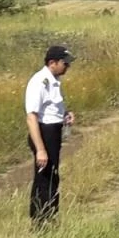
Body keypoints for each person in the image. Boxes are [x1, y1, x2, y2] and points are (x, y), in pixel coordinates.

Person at [25, 45, 75, 225]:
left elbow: (52, 106)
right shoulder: (39, 82)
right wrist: (40, 149)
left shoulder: (54, 80)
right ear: (52, 63)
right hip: (43, 133)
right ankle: (40, 219)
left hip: (53, 131)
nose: (67, 67)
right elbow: (32, 117)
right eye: (65, 63)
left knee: (53, 174)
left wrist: (65, 113)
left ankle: (51, 214)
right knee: (44, 177)